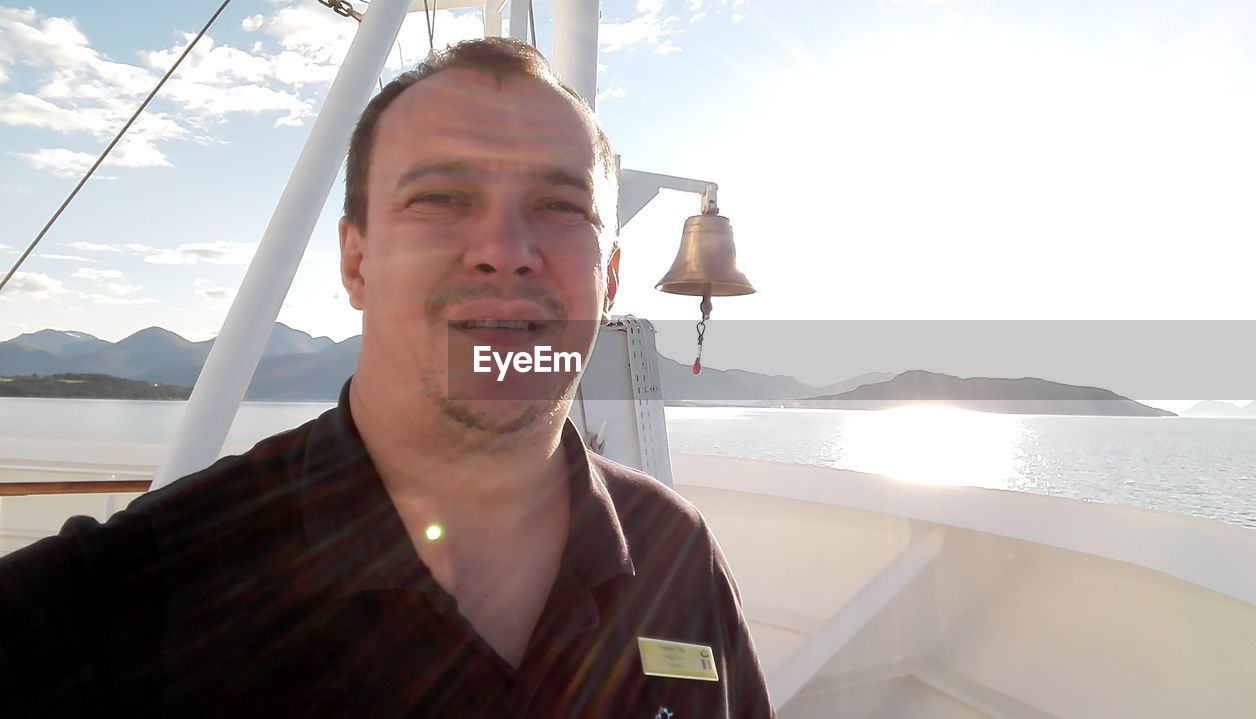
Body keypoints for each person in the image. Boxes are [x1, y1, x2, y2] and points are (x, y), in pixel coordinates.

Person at [0, 38, 774, 718]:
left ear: (608, 280)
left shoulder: (677, 555)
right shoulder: (121, 600)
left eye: (559, 204)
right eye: (440, 197)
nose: (504, 248)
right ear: (356, 260)